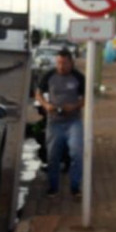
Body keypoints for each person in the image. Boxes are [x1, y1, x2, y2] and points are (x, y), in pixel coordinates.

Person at [35, 47, 85, 199]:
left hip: (73, 122)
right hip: (54, 122)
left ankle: (75, 187)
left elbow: (86, 98)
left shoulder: (79, 77)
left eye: (64, 63)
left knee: (77, 153)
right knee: (52, 156)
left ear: (72, 63)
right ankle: (53, 187)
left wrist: (75, 106)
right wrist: (46, 105)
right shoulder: (49, 75)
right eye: (58, 63)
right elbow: (37, 93)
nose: (61, 67)